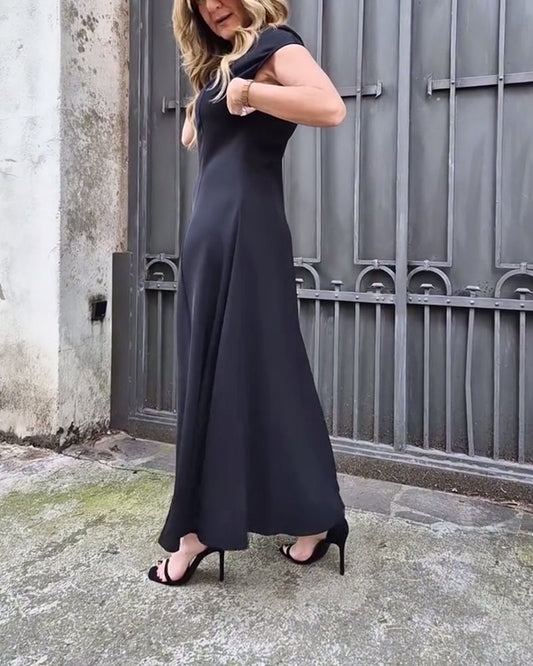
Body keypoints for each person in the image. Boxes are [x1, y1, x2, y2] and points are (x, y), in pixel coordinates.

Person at [148, 0, 348, 586]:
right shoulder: (224, 64)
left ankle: (195, 533)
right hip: (210, 237)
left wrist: (250, 93)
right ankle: (315, 518)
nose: (211, 5)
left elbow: (330, 107)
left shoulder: (274, 44)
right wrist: (208, 98)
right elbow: (199, 134)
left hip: (246, 231)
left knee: (242, 373)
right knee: (253, 374)